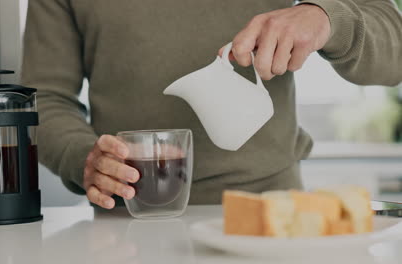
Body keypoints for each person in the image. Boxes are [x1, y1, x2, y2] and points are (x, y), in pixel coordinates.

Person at [22, 0, 402, 209]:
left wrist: (325, 17)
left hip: (269, 215)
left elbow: (394, 50)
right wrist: (84, 158)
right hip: (129, 223)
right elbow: (45, 100)